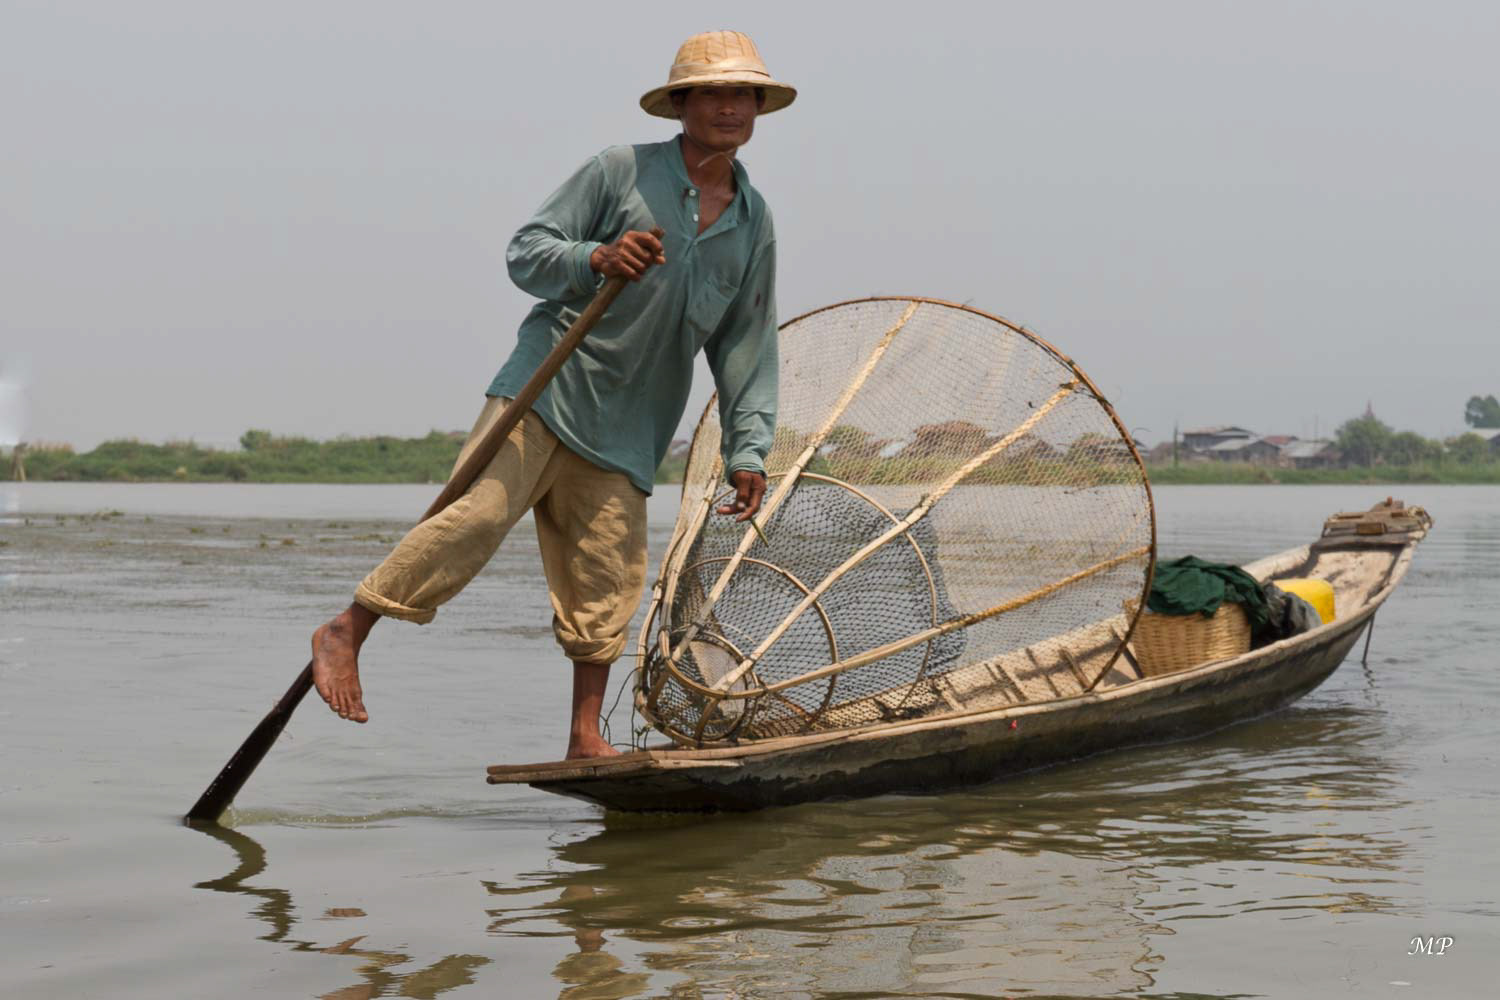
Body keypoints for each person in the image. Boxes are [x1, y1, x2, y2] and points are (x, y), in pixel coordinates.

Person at [308, 30, 795, 759]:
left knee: (607, 576)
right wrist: (596, 256)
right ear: (680, 104)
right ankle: (347, 628)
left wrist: (748, 451)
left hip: (632, 422)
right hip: (548, 388)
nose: (729, 107)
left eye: (742, 95)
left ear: (757, 107)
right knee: (474, 517)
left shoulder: (753, 223)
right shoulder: (619, 171)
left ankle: (582, 736)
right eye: (712, 93)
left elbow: (746, 344)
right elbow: (526, 252)